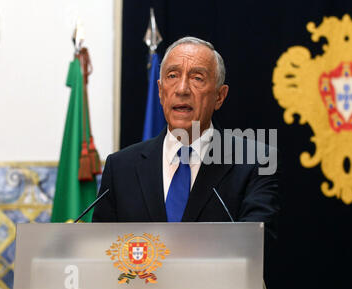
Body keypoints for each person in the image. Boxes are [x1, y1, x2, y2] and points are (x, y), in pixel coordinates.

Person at [92, 37, 279, 252]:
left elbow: (258, 247)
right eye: (172, 76)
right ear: (161, 92)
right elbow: (102, 252)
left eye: (197, 78)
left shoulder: (256, 162)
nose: (182, 89)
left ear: (220, 96)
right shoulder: (120, 167)